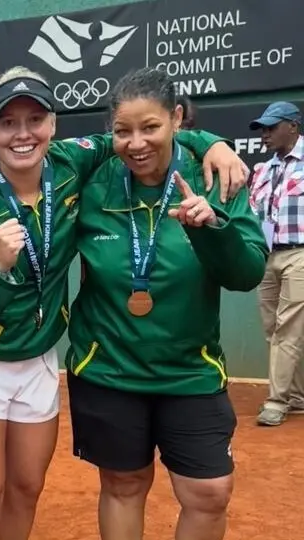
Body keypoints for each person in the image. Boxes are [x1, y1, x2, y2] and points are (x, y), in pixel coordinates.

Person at [0, 66, 245, 540]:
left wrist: (213, 143)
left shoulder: (71, 164)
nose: (23, 134)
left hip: (38, 357)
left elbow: (147, 132)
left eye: (35, 120)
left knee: (26, 488)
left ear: (53, 125)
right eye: (8, 123)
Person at [66, 67, 267, 540]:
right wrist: (209, 138)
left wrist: (212, 229)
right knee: (123, 485)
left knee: (210, 493)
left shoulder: (215, 177)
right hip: (109, 370)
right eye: (123, 131)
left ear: (176, 118)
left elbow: (246, 275)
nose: (136, 143)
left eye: (151, 127)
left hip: (189, 372)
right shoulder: (95, 179)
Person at [247, 101, 304, 427]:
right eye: (262, 129)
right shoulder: (262, 170)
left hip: (300, 253)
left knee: (287, 329)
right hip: (268, 254)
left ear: (293, 126)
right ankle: (297, 396)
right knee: (273, 330)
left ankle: (276, 401)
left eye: (271, 128)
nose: (264, 135)